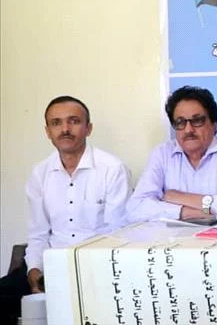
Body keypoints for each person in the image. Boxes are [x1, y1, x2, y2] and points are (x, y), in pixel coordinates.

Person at [0, 96, 130, 322]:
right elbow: (38, 234)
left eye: (74, 121)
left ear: (88, 128)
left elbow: (116, 235)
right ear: (47, 131)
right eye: (56, 123)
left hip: (94, 269)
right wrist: (34, 273)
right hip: (50, 267)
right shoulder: (40, 173)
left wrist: (77, 274)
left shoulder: (112, 169)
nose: (65, 129)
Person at [127, 86, 217, 224]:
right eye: (180, 122)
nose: (188, 130)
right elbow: (135, 209)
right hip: (169, 237)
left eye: (197, 121)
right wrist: (185, 212)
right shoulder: (162, 154)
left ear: (214, 125)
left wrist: (180, 197)